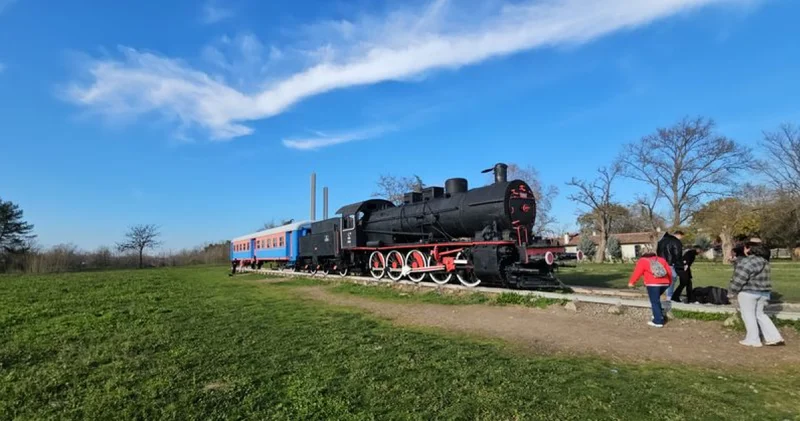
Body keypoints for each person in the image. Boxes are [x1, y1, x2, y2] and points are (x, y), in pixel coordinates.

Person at [728, 241, 785, 347]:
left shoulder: (746, 262)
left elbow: (740, 278)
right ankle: (774, 337)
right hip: (764, 292)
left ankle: (753, 339)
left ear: (749, 249)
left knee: (748, 315)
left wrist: (732, 291)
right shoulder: (764, 261)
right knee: (760, 314)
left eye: (745, 248)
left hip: (748, 292)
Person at [628, 252, 673, 327]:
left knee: (654, 301)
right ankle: (657, 314)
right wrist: (669, 282)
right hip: (665, 283)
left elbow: (637, 272)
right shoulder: (661, 259)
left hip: (653, 284)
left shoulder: (643, 260)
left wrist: (632, 282)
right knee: (656, 299)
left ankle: (658, 321)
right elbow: (669, 271)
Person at [657, 230, 684, 300]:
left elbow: (658, 251)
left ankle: (664, 294)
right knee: (672, 277)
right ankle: (669, 296)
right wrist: (680, 265)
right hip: (670, 263)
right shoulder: (676, 241)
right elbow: (677, 254)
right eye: (681, 237)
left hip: (661, 262)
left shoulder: (661, 240)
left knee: (666, 278)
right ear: (679, 235)